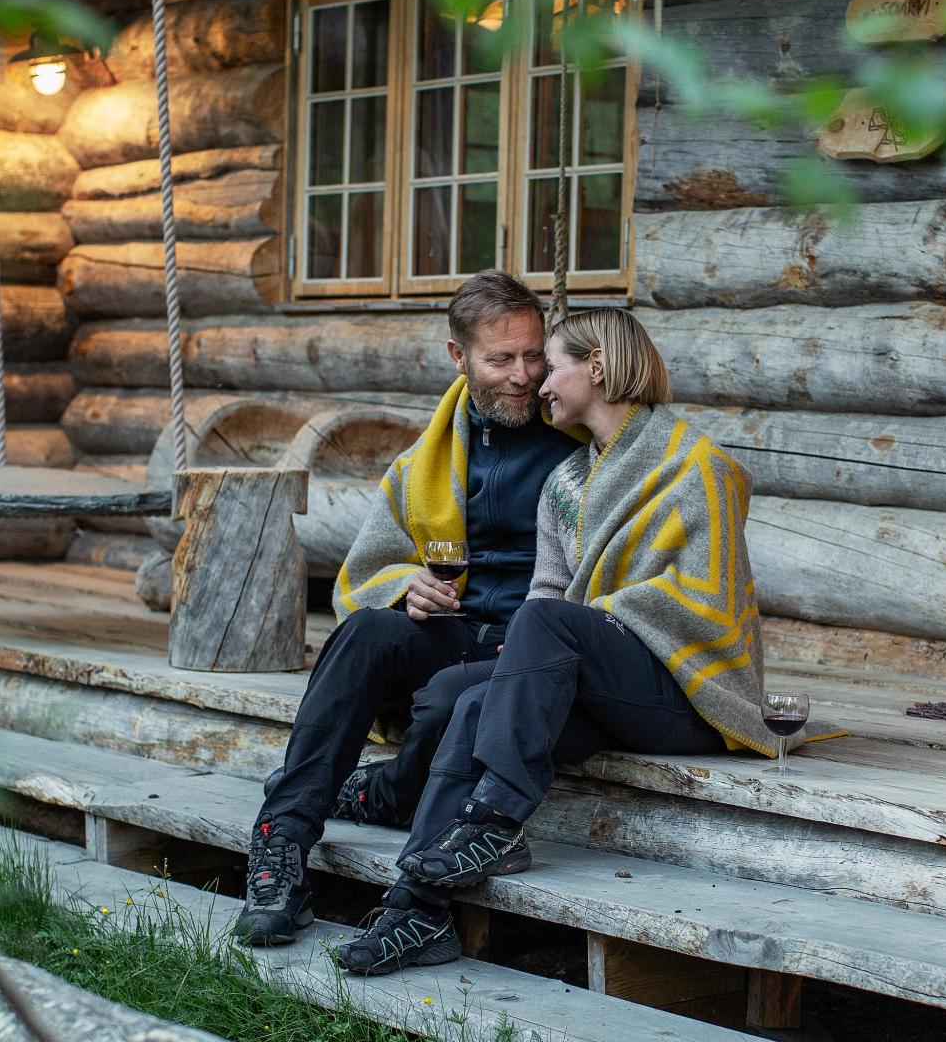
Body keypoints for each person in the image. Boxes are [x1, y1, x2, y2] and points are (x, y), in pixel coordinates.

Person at [332, 308, 819, 976]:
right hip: (604, 687)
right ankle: (415, 912)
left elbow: (712, 598)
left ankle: (496, 822)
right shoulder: (563, 484)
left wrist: (578, 625)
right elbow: (548, 591)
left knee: (540, 629)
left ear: (598, 367)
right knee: (468, 701)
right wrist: (533, 653)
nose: (539, 385)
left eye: (553, 365)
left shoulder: (698, 467)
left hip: (687, 696)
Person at [233, 271, 582, 946]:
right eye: (500, 359)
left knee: (450, 700)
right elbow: (366, 569)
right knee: (367, 631)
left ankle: (392, 796)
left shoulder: (575, 443)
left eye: (534, 355)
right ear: (458, 357)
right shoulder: (428, 459)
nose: (522, 374)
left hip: (531, 645)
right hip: (455, 629)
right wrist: (404, 585)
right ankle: (280, 845)